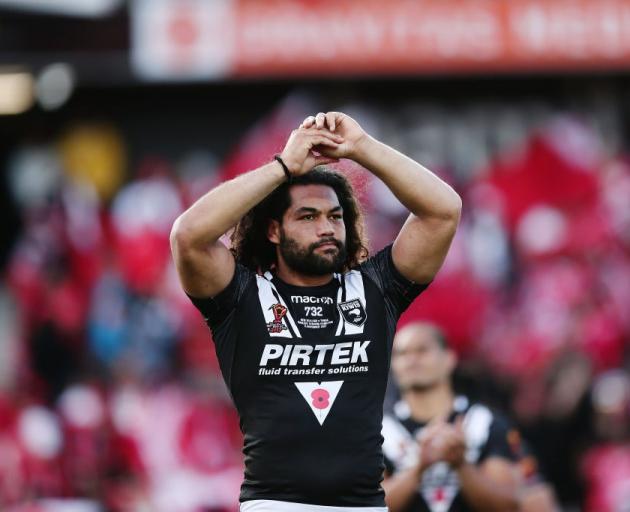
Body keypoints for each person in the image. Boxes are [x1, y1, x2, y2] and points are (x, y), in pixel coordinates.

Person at [170, 111, 462, 511]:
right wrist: (283, 167)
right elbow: (188, 236)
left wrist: (361, 148)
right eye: (308, 216)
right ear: (273, 231)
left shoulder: (375, 291)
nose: (326, 228)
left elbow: (443, 211)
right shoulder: (241, 297)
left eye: (335, 216)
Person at [382, 322, 526, 512]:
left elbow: (509, 505)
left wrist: (462, 465)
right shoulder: (380, 430)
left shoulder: (485, 422)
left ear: (449, 358)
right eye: (401, 354)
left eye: (422, 350)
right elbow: (367, 507)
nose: (411, 360)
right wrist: (418, 468)